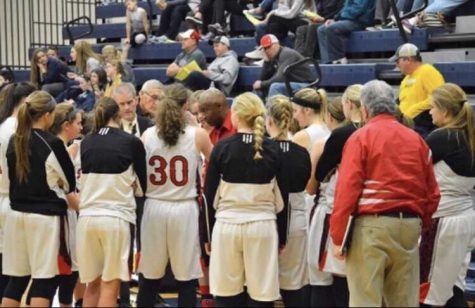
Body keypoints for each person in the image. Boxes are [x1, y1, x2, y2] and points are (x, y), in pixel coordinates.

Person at [329, 80, 440, 306]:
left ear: (365, 109)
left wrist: (338, 237)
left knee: (365, 301)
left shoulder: (361, 137)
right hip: (409, 225)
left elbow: (346, 191)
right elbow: (433, 194)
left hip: (371, 226)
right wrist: (420, 224)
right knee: (404, 302)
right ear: (393, 104)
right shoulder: (417, 140)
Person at [204, 92, 289, 306]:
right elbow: (282, 200)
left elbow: (208, 197)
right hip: (262, 227)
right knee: (262, 297)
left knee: (227, 296)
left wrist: (206, 235)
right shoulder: (274, 149)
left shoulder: (222, 148)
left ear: (236, 116)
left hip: (227, 227)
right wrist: (282, 236)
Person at [136, 89, 213, 307]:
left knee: (149, 277)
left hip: (154, 208)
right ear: (185, 107)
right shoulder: (197, 134)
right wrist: (197, 127)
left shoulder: (147, 135)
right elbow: (218, 161)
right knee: (186, 278)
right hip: (184, 209)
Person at [2, 91, 78, 307]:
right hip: (44, 219)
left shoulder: (13, 141)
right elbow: (70, 184)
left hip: (15, 215)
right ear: (47, 115)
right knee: (43, 282)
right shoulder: (52, 143)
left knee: (16, 281)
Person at [76, 97, 147, 307]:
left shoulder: (86, 141)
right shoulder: (131, 141)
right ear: (118, 115)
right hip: (115, 218)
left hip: (87, 218)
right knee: (110, 285)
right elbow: (144, 186)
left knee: (92, 285)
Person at [420, 83, 475, 307]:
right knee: (454, 287)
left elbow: (414, 172)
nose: (429, 112)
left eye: (432, 107)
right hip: (465, 218)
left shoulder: (442, 137)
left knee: (428, 292)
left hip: (442, 220)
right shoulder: (468, 135)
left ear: (444, 111)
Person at [307, 92, 359, 307]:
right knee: (345, 281)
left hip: (329, 215)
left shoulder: (325, 143)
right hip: (356, 217)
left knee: (320, 278)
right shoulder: (365, 136)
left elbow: (310, 187)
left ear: (329, 117)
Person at [265, 94, 311, 307]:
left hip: (267, 217)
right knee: (294, 287)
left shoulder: (262, 151)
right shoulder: (301, 152)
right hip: (297, 221)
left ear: (269, 120)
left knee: (262, 286)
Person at [0, 82, 36, 299]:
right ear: (25, 103)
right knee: (15, 271)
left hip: (4, 199)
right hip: (13, 201)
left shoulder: (3, 126)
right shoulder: (18, 129)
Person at [49, 103, 84, 308]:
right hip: (62, 215)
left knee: (66, 273)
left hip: (59, 214)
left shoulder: (58, 147)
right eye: (78, 123)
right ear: (66, 125)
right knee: (63, 272)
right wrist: (88, 209)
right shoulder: (60, 149)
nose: (81, 128)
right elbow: (68, 194)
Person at [393, 43, 445, 137]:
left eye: (398, 61)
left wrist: (413, 111)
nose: (396, 64)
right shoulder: (406, 79)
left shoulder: (427, 71)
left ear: (408, 59)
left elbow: (439, 98)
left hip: (422, 125)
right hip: (407, 125)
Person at [291, 87, 330, 152]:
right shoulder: (330, 129)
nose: (294, 116)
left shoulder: (302, 136)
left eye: (295, 111)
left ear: (307, 110)